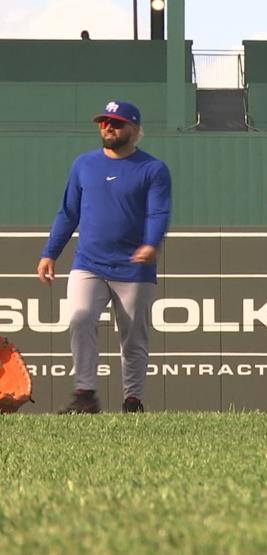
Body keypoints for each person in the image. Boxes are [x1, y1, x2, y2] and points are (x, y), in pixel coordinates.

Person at [37, 99, 171, 414]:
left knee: (133, 338)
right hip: (89, 263)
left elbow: (159, 211)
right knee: (80, 318)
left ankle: (132, 401)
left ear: (134, 130)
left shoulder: (152, 168)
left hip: (134, 267)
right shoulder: (84, 164)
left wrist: (151, 243)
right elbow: (68, 212)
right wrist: (50, 252)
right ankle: (85, 396)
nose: (107, 127)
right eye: (103, 121)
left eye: (116, 122)